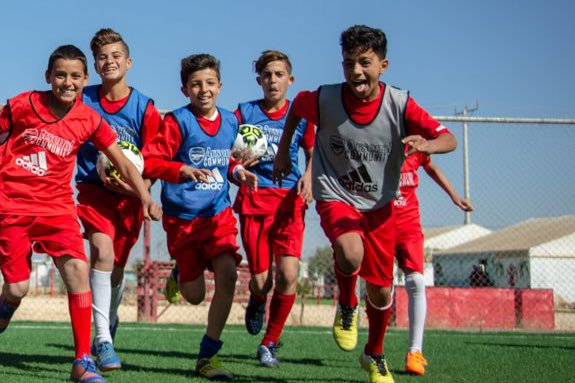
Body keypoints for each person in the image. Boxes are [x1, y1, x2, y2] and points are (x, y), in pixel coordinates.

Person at [0, 44, 159, 383]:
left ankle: (82, 361)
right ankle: (8, 301)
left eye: (75, 76)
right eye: (60, 75)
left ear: (85, 79)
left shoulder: (89, 119)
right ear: (48, 76)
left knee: (78, 270)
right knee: (18, 287)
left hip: (56, 208)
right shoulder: (23, 104)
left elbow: (121, 160)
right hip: (12, 206)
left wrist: (145, 196)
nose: (67, 82)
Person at [272, 25, 457, 383]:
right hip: (336, 193)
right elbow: (296, 107)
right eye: (348, 63)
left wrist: (427, 144)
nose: (356, 71)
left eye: (364, 62)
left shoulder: (400, 104)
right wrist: (283, 153)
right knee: (349, 251)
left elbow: (448, 138)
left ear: (383, 65)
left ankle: (374, 354)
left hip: (380, 205)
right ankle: (347, 304)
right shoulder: (326, 99)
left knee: (382, 289)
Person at [142, 53, 258, 380]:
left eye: (209, 83)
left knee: (228, 275)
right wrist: (181, 170)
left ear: (220, 86)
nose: (203, 90)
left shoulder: (231, 122)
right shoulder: (177, 122)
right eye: (195, 84)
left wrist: (239, 173)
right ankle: (181, 273)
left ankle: (208, 356)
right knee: (195, 296)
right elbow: (150, 161)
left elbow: (229, 162)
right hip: (183, 219)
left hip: (218, 213)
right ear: (185, 90)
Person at [77, 28, 162, 371]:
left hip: (129, 199)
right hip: (92, 191)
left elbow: (154, 161)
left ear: (128, 62)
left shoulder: (145, 108)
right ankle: (103, 340)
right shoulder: (83, 99)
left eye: (115, 56)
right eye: (102, 57)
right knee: (101, 252)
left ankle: (109, 317)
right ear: (94, 65)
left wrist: (139, 191)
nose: (109, 61)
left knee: (115, 269)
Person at [232, 50, 315, 368]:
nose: (272, 80)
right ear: (259, 80)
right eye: (266, 75)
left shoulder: (300, 114)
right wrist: (239, 163)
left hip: (289, 202)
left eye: (279, 74)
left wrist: (309, 176)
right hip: (254, 201)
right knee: (261, 282)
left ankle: (269, 342)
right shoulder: (246, 112)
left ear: (290, 80)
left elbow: (313, 153)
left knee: (288, 274)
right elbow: (228, 150)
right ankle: (257, 300)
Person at [394, 151, 472, 375]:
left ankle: (415, 352)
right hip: (380, 222)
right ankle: (373, 347)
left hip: (408, 224)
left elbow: (432, 167)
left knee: (416, 282)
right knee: (380, 286)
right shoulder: (376, 141)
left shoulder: (416, 146)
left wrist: (454, 196)